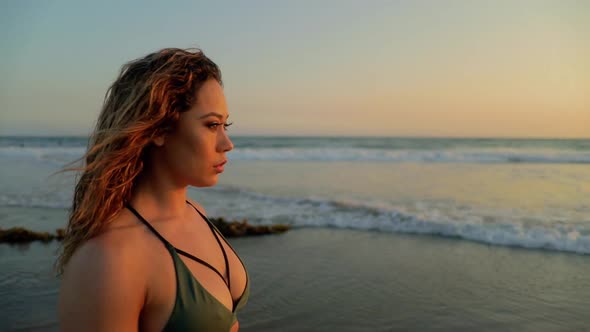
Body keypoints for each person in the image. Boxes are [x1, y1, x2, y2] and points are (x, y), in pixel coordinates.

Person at [57, 48, 249, 332]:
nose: (227, 143)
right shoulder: (108, 260)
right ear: (158, 129)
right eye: (212, 125)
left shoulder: (196, 212)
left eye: (226, 125)